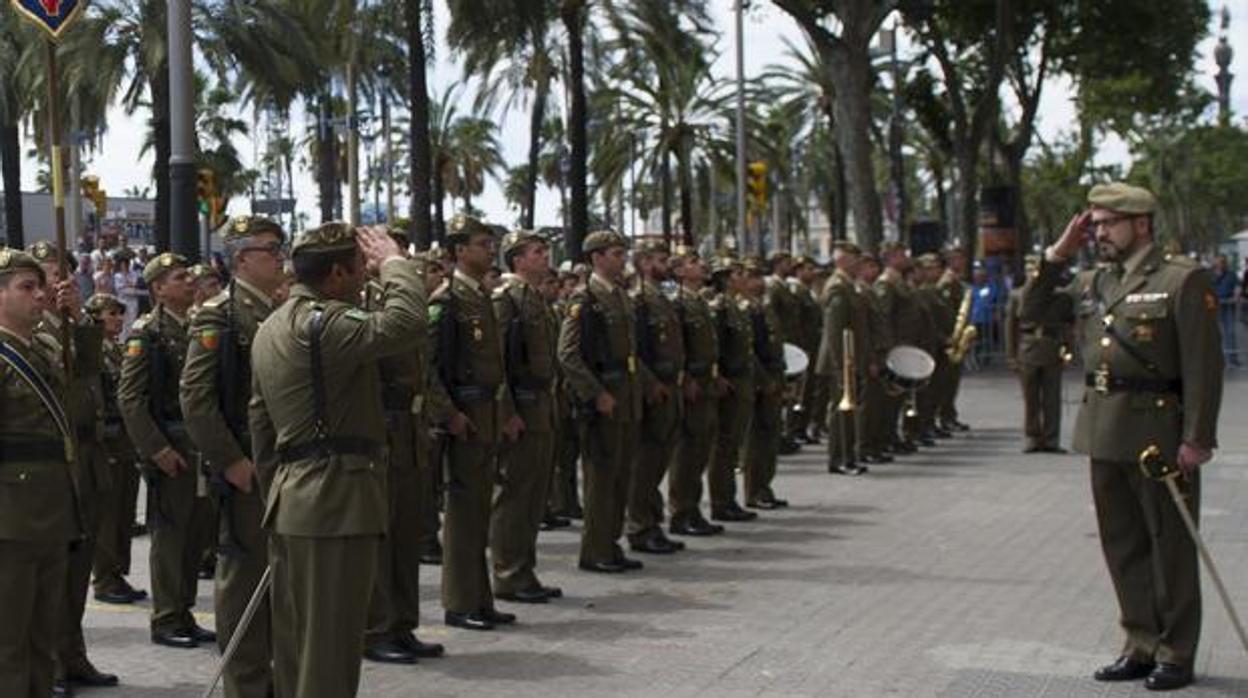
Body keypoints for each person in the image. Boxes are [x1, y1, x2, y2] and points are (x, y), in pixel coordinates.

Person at [1022, 182, 1223, 691]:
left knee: (1169, 545)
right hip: (1104, 430)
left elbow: (1204, 366)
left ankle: (1176, 651)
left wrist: (1198, 435)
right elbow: (1032, 309)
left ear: (1141, 224)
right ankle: (1139, 642)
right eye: (1093, 223)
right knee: (1123, 544)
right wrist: (1057, 253)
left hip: (1161, 432)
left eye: (1108, 223)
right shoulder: (1094, 281)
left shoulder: (1181, 279)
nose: (1098, 233)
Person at [250, 223, 424, 698]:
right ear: (336, 274)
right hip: (336, 501)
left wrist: (278, 496)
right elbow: (408, 322)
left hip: (295, 500)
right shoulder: (326, 323)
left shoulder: (271, 326)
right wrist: (394, 262)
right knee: (330, 648)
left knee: (296, 647)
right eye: (359, 269)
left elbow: (261, 427)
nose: (365, 277)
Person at [180, 216, 287, 697]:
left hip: (281, 464)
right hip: (247, 467)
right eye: (271, 249)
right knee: (244, 581)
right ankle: (245, 685)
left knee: (281, 583)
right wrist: (231, 462)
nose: (280, 257)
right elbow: (197, 400)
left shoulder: (279, 311)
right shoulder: (219, 315)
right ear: (242, 258)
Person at [28, 243, 120, 694]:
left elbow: (96, 370)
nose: (55, 284)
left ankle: (72, 651)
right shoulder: (31, 332)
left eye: (61, 274)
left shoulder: (73, 325)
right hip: (53, 460)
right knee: (54, 570)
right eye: (44, 276)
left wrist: (79, 318)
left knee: (80, 564)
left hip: (88, 454)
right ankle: (51, 662)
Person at [119, 252, 219, 652]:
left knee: (196, 533)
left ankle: (184, 611)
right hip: (171, 444)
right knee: (171, 536)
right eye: (180, 278)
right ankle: (166, 616)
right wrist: (156, 449)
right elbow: (131, 400)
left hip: (198, 445)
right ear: (158, 288)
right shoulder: (149, 333)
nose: (190, 282)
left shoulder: (197, 325)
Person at [0, 248, 85, 698]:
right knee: (8, 642)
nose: (40, 295)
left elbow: (87, 386)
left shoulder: (45, 347)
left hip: (51, 513)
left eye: (40, 286)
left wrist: (78, 320)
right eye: (26, 288)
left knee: (41, 638)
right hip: (10, 518)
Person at [427, 216, 519, 630]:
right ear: (459, 251)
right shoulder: (447, 301)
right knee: (463, 516)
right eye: (482, 244)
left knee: (478, 511)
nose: (490, 250)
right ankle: (460, 602)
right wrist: (449, 416)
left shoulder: (481, 296)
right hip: (465, 417)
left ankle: (479, 598)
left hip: (486, 414)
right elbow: (429, 370)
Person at [360, 227, 444, 662]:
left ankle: (403, 623)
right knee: (382, 537)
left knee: (407, 533)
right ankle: (376, 629)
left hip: (409, 428)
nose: (400, 256)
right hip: (383, 429)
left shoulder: (407, 300)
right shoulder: (366, 303)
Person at [558, 230, 644, 574]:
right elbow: (567, 355)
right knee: (601, 478)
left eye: (623, 253)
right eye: (615, 253)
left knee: (621, 475)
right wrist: (596, 394)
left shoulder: (620, 296)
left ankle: (610, 542)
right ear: (596, 258)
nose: (622, 259)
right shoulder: (585, 298)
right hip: (604, 397)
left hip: (625, 394)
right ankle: (594, 550)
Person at [489, 230, 564, 603]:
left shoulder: (535, 298)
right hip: (521, 409)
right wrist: (507, 413)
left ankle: (523, 569)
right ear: (517, 260)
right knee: (514, 495)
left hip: (541, 407)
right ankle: (506, 572)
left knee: (534, 497)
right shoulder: (506, 299)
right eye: (537, 252)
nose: (544, 257)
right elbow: (496, 362)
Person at [626, 240, 687, 555]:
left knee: (659, 458)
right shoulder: (639, 301)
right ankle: (639, 526)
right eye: (662, 260)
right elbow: (633, 352)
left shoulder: (662, 298)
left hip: (670, 387)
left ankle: (652, 523)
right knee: (645, 463)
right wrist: (650, 384)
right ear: (645, 262)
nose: (669, 265)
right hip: (654, 390)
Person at [88, 292, 147, 608]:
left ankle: (117, 573)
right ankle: (104, 577)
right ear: (96, 317)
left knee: (124, 511)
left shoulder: (119, 350)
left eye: (119, 314)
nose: (117, 319)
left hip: (124, 439)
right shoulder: (94, 351)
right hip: (108, 439)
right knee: (108, 514)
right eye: (111, 314)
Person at [667, 249, 726, 538]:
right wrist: (685, 378)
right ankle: (680, 511)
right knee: (687, 451)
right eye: (692, 262)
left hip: (706, 383)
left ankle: (693, 509)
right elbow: (677, 347)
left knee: (701, 448)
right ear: (678, 271)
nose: (701, 265)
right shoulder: (677, 303)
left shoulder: (699, 301)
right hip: (691, 386)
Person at [706, 255, 757, 523]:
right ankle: (720, 501)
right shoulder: (719, 307)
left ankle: (728, 499)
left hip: (740, 379)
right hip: (729, 382)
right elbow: (715, 347)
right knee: (723, 445)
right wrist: (718, 376)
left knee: (732, 443)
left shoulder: (735, 306)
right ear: (725, 278)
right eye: (738, 273)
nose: (743, 278)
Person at [1005, 256, 1073, 454]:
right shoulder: (1018, 295)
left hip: (1052, 346)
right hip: (1028, 347)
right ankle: (1033, 436)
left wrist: (1068, 350)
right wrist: (1011, 355)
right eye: (1029, 269)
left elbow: (1067, 326)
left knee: (1052, 397)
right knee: (1031, 397)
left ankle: (1052, 439)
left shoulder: (1060, 296)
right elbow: (1011, 327)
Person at [742, 257, 788, 509]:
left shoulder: (764, 306)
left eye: (760, 277)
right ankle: (753, 491)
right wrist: (764, 380)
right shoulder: (746, 309)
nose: (758, 282)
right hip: (758, 382)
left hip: (773, 377)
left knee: (770, 437)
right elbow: (747, 351)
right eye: (752, 277)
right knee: (756, 439)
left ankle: (765, 486)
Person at [1210, 255, 1239, 366]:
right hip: (1216, 308)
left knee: (1230, 333)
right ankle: (1218, 359)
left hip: (1228, 307)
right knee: (1217, 333)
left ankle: (1232, 359)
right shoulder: (1211, 275)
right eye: (1218, 262)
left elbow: (1237, 287)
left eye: (1222, 262)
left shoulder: (1231, 275)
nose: (1220, 264)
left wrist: (1236, 295)